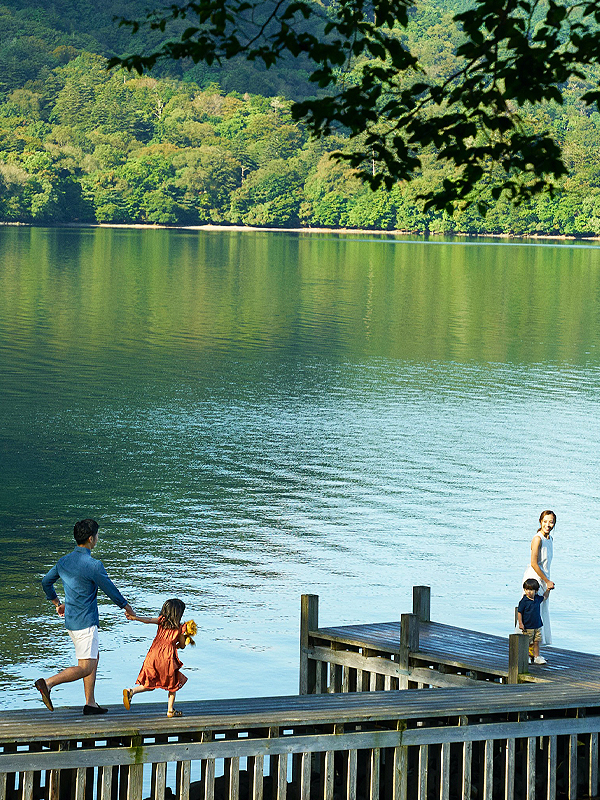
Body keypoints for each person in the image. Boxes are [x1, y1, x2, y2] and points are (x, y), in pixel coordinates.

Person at [35, 519, 134, 714]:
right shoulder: (94, 565)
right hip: (85, 623)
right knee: (86, 667)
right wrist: (127, 607)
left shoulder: (64, 561)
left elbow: (46, 582)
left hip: (72, 621)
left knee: (93, 657)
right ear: (91, 538)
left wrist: (57, 603)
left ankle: (90, 704)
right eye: (97, 535)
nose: (97, 538)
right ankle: (47, 683)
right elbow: (111, 590)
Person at [122, 598, 188, 717]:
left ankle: (131, 691)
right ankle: (170, 710)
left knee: (150, 683)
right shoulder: (180, 629)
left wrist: (135, 617)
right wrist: (184, 640)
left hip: (153, 655)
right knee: (173, 685)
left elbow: (147, 620)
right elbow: (182, 645)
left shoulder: (161, 621)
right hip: (168, 658)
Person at [522, 509, 556, 645]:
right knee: (532, 614)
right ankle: (527, 649)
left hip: (544, 579)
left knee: (541, 613)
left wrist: (547, 582)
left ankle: (535, 650)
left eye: (551, 522)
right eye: (545, 521)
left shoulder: (550, 539)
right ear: (540, 522)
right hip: (534, 581)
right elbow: (534, 563)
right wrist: (547, 581)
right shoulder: (537, 539)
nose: (548, 525)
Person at [518, 577, 551, 664]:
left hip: (537, 625)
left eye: (531, 590)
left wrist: (548, 589)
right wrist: (520, 623)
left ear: (536, 590)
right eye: (526, 589)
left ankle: (536, 656)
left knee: (536, 641)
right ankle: (526, 656)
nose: (528, 592)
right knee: (527, 642)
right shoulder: (524, 601)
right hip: (528, 626)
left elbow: (545, 597)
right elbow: (519, 612)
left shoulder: (537, 599)